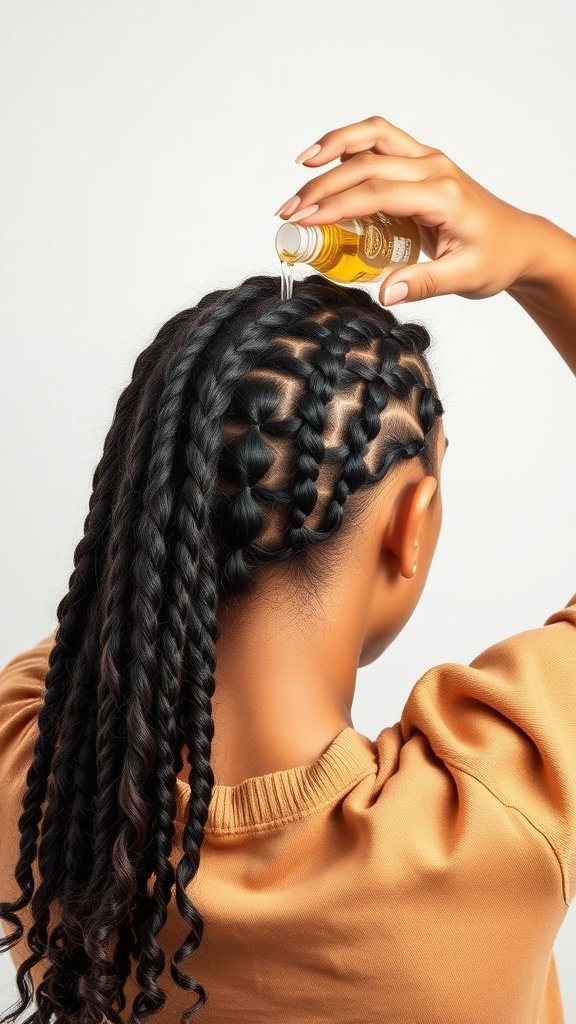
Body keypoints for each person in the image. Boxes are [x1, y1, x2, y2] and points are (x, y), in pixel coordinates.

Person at [0, 114, 574, 1024]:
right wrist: (545, 257)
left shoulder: (37, 791)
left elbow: (116, 609)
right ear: (411, 528)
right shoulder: (499, 811)